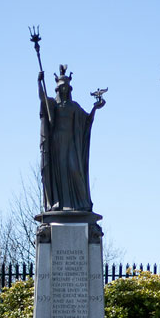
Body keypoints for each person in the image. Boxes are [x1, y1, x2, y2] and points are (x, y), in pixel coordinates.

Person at [38, 65, 105, 212]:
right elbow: (42, 99)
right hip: (57, 142)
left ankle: (81, 204)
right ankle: (60, 204)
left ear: (69, 89)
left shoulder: (74, 107)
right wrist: (39, 82)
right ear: (58, 90)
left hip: (71, 143)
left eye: (66, 87)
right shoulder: (53, 105)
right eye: (61, 87)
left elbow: (86, 121)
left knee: (75, 170)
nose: (64, 90)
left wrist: (95, 108)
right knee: (59, 172)